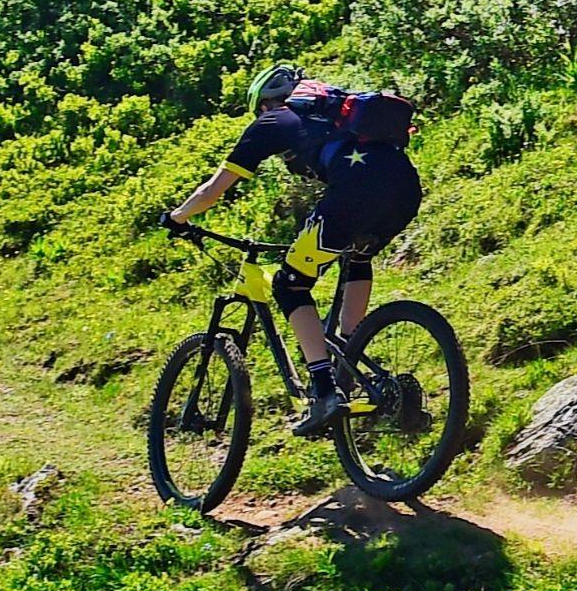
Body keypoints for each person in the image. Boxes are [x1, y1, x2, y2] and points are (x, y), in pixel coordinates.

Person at [166, 62, 424, 437]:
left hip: (353, 195)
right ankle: (353, 353)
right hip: (405, 191)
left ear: (266, 104)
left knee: (290, 285)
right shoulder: (337, 119)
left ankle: (323, 391)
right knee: (357, 255)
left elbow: (214, 190)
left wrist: (178, 217)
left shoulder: (273, 122)